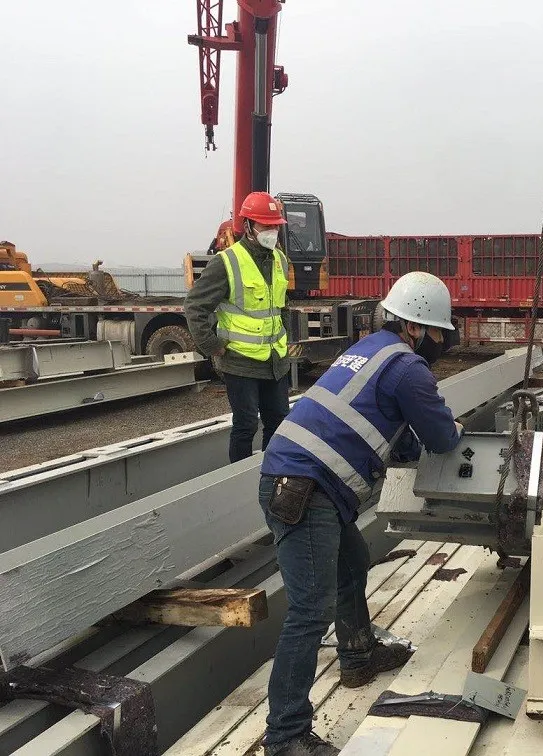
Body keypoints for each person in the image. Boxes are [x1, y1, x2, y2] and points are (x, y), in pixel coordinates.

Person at [257, 271, 464, 755]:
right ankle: (285, 736)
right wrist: (454, 428)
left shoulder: (371, 350)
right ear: (415, 327)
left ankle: (357, 656)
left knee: (351, 565)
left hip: (299, 480)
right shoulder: (409, 368)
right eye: (438, 332)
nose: (441, 342)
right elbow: (440, 438)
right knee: (309, 612)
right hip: (306, 490)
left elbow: (387, 429)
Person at [185, 191, 291, 463]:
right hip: (240, 361)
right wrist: (211, 346)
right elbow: (195, 306)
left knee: (279, 421)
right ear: (248, 226)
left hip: (275, 360)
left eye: (276, 226)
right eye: (266, 226)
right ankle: (240, 478)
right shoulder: (227, 262)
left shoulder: (280, 259)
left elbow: (281, 305)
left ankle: (271, 475)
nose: (272, 231)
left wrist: (286, 337)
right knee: (246, 425)